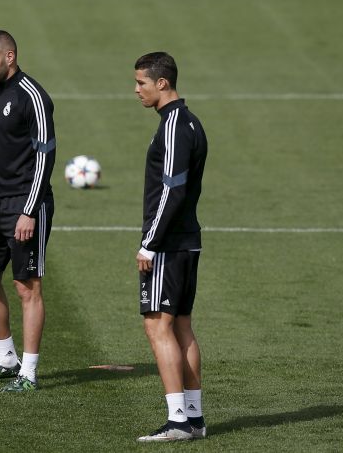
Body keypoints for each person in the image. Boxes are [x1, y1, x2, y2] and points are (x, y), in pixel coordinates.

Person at [0, 30, 55, 392]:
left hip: (26, 202)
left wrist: (29, 210)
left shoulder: (33, 96)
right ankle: (6, 359)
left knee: (26, 287)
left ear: (10, 56)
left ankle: (29, 373)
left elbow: (45, 154)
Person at [132, 52, 208, 441]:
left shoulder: (176, 126)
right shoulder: (188, 123)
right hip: (186, 242)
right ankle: (193, 419)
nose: (137, 90)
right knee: (181, 328)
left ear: (163, 83)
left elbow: (173, 190)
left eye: (141, 83)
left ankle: (178, 420)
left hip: (169, 244)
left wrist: (149, 244)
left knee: (157, 326)